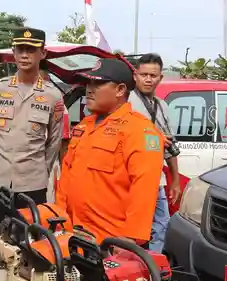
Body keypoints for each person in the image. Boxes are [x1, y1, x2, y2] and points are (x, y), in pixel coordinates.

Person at [56, 58, 165, 243]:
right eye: (88, 83)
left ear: (120, 90)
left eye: (98, 83)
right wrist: (59, 219)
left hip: (109, 242)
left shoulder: (140, 130)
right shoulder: (84, 126)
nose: (89, 89)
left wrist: (129, 239)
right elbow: (66, 175)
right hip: (73, 234)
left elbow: (144, 191)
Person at [0, 28, 65, 231]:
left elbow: (54, 142)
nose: (25, 55)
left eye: (31, 50)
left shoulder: (53, 96)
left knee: (29, 240)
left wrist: (40, 170)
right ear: (14, 52)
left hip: (33, 184)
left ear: (43, 53)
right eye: (20, 49)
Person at [128, 53, 182, 252]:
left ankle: (154, 265)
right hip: (130, 178)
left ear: (160, 77)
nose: (148, 79)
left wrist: (175, 180)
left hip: (156, 178)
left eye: (153, 75)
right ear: (135, 75)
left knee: (161, 225)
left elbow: (169, 146)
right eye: (144, 75)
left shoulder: (162, 106)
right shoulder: (125, 102)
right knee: (131, 228)